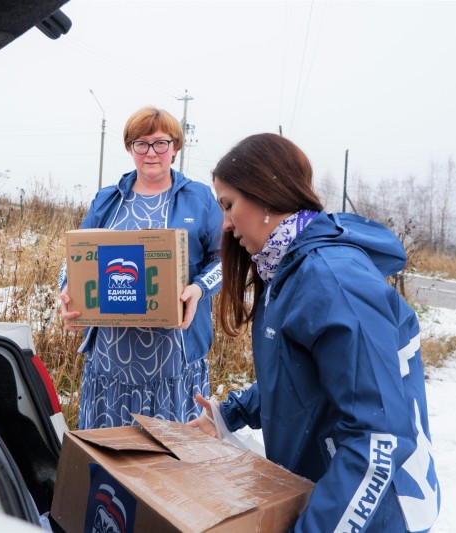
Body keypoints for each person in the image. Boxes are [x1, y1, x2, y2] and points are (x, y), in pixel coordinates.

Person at [188, 133, 440, 532]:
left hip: (374, 511)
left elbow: (376, 439)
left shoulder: (333, 281)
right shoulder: (284, 271)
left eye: (229, 204)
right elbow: (298, 374)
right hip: (325, 492)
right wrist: (229, 414)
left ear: (265, 195)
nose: (227, 223)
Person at [59, 106, 222, 430]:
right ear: (130, 148)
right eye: (141, 143)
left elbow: (223, 260)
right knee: (111, 461)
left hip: (174, 361)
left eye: (160, 143)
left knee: (169, 467)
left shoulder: (199, 198)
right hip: (110, 361)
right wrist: (67, 292)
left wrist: (199, 288)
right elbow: (74, 257)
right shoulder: (107, 200)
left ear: (175, 147)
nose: (151, 152)